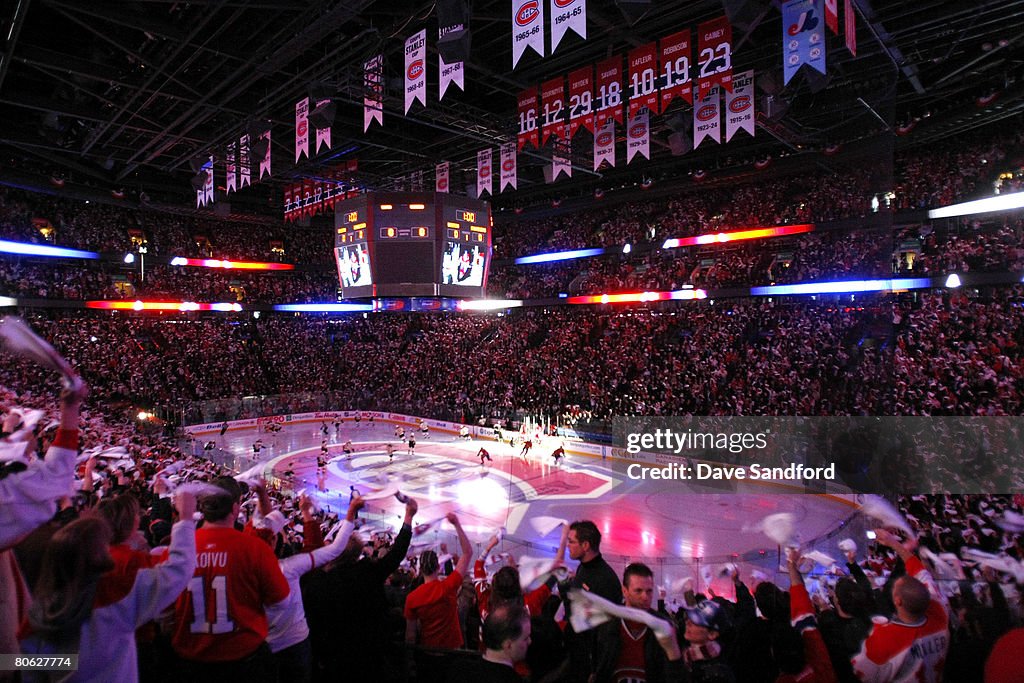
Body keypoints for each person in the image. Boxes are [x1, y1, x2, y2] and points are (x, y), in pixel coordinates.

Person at [20, 490, 197, 683]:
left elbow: (21, 666)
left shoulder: (38, 617)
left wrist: (68, 664)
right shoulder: (117, 597)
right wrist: (185, 518)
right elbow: (179, 569)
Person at [169, 476, 290, 682]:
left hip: (189, 664)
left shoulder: (177, 548)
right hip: (244, 662)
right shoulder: (254, 548)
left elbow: (165, 611)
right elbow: (281, 603)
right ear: (235, 509)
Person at [302, 495, 418, 682]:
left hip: (332, 661)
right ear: (357, 554)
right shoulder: (367, 572)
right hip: (369, 656)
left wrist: (307, 514)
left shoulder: (318, 582)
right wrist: (408, 517)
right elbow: (396, 553)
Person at [265, 494, 361, 683]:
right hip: (296, 642)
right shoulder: (290, 567)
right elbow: (328, 548)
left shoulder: (244, 568)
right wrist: (350, 512)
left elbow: (314, 546)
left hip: (264, 644)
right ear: (275, 543)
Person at [850, 529, 949, 683]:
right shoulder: (940, 614)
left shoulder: (886, 638)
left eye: (894, 590)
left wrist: (893, 543)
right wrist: (893, 543)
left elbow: (861, 674)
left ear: (898, 601)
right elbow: (922, 573)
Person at [405, 513, 473, 683]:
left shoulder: (412, 598)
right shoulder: (448, 586)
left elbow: (410, 635)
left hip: (427, 655)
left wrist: (410, 662)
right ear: (438, 566)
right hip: (452, 654)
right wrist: (456, 524)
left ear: (421, 569)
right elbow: (468, 553)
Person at [592, 563, 685, 683]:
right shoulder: (606, 624)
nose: (645, 597)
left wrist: (674, 652)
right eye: (638, 591)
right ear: (624, 591)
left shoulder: (664, 626)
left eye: (649, 591)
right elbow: (598, 666)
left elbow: (676, 675)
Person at [447, 604, 532, 683]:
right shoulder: (514, 680)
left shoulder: (459, 669)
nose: (529, 641)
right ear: (508, 644)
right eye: (525, 638)